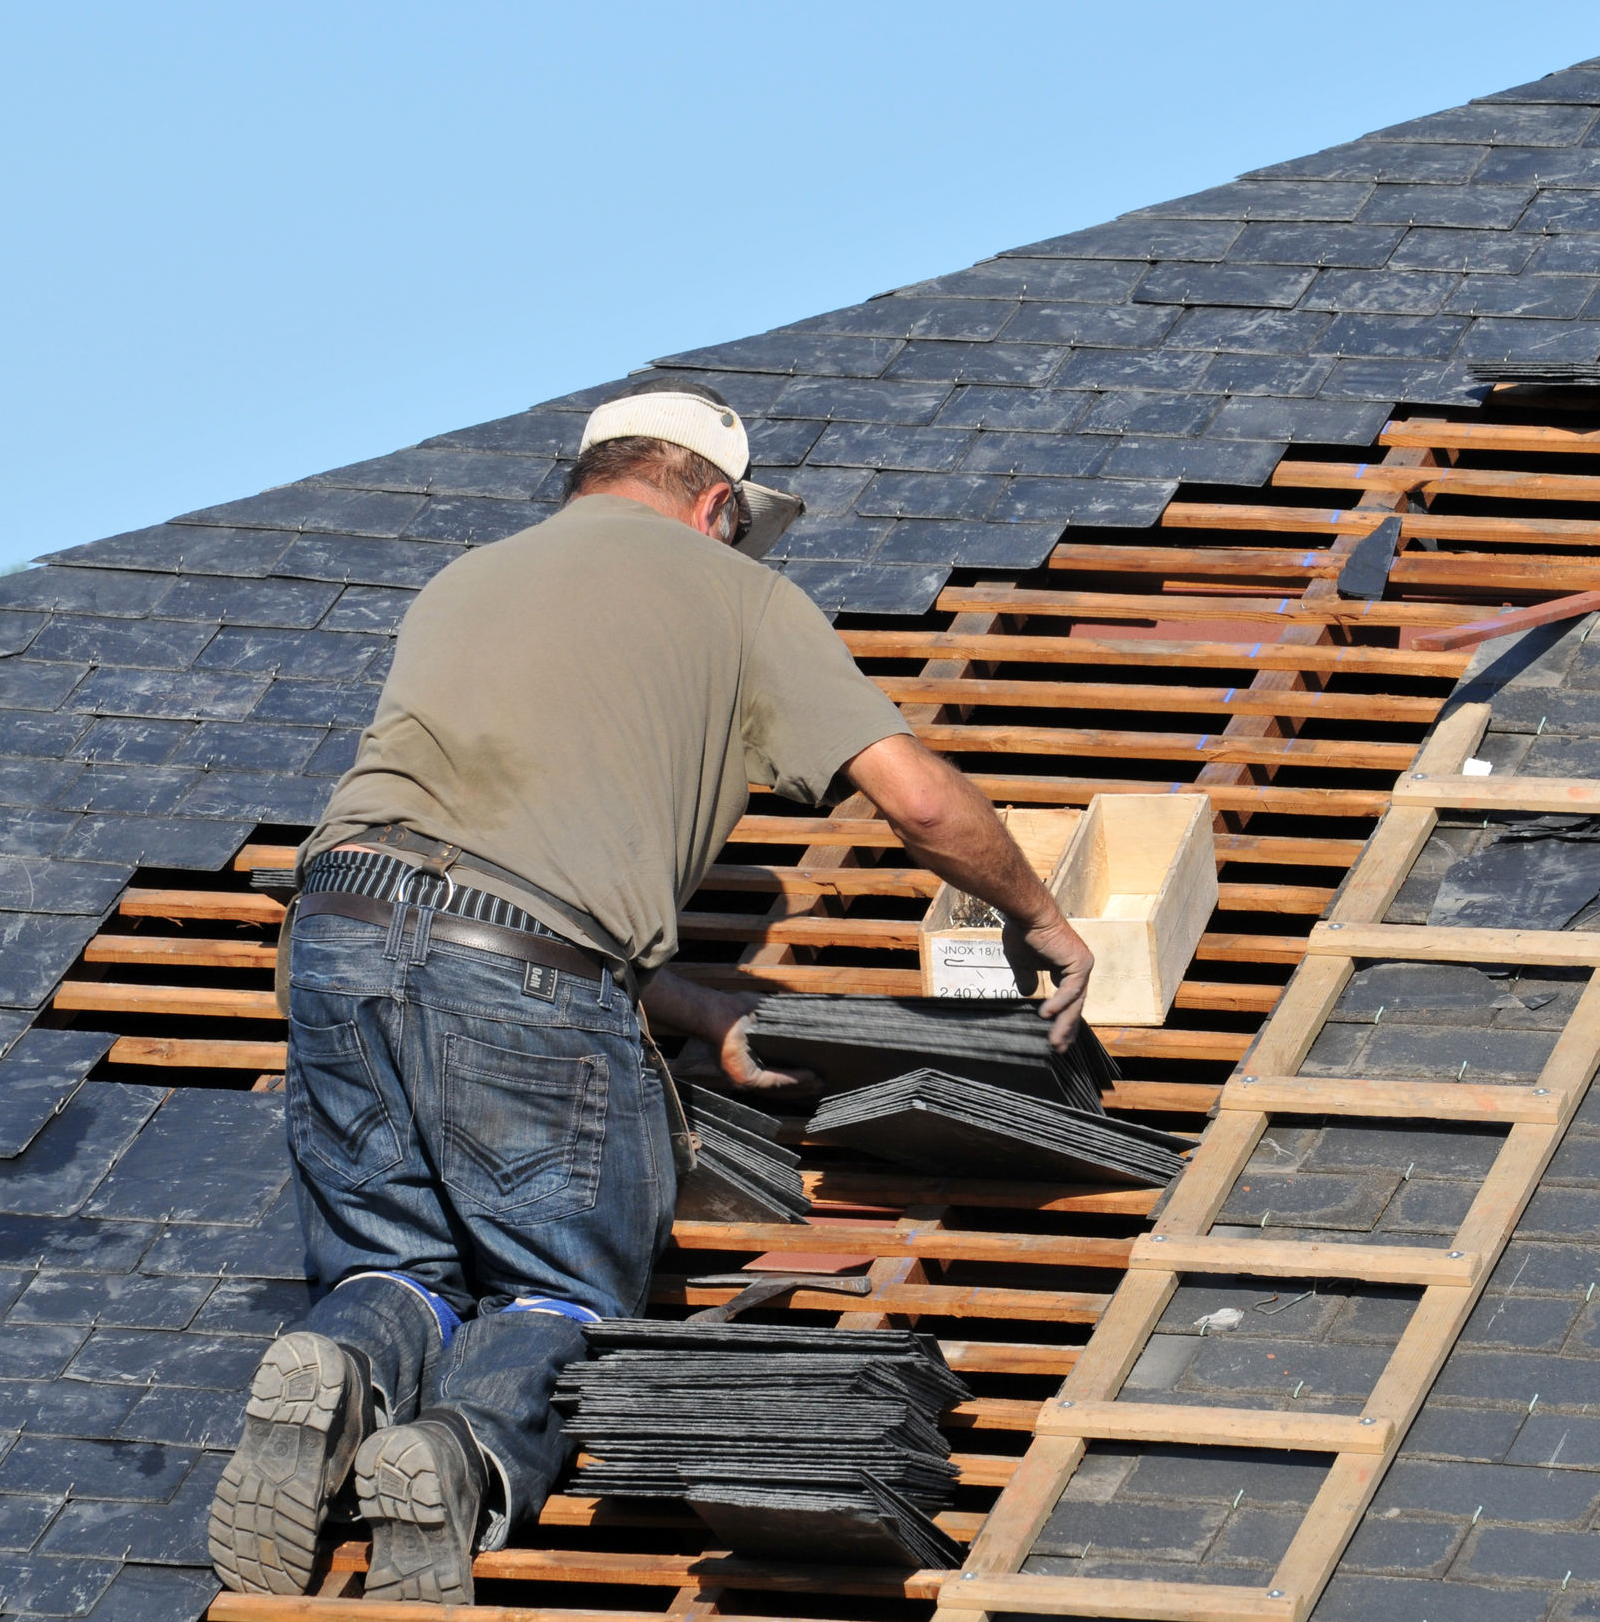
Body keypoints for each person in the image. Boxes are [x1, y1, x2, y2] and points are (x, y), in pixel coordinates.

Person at [206, 380, 1094, 1602]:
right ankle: (456, 1454)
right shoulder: (741, 596)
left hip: (339, 925)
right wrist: (1040, 917)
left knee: (387, 1258)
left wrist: (688, 1003)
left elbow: (481, 860)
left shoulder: (466, 578)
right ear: (715, 503)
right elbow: (921, 800)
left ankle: (338, 1362)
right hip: (528, 962)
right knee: (556, 1281)